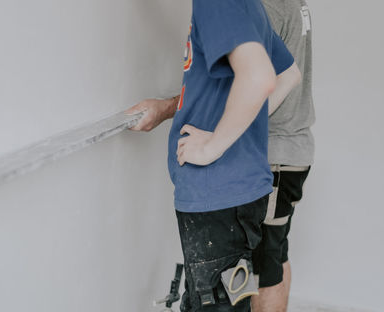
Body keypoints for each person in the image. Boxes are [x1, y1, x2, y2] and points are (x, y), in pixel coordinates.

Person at [127, 0, 301, 310]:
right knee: (230, 303)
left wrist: (213, 145)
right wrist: (234, 134)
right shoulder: (250, 5)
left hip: (218, 196)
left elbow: (260, 77)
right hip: (238, 194)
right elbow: (288, 74)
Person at [251, 1, 315, 311]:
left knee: (263, 269)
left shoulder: (269, 6)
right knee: (277, 254)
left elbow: (259, 84)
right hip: (292, 151)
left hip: (275, 153)